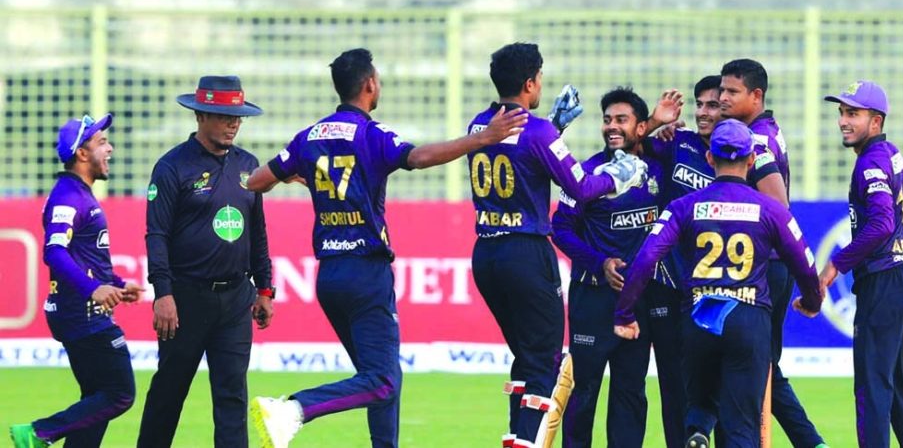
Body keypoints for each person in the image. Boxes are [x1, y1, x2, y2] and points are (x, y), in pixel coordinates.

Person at [244, 48, 528, 448]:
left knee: (381, 378)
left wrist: (295, 176)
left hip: (329, 277)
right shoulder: (370, 134)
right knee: (381, 380)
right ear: (369, 85)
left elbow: (256, 181)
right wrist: (482, 138)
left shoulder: (308, 138)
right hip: (366, 273)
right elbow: (419, 157)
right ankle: (293, 409)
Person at [466, 43, 655, 448]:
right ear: (531, 82)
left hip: (485, 253)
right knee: (548, 363)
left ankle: (517, 435)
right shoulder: (537, 131)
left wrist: (553, 126)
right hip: (527, 253)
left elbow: (521, 157)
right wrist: (618, 176)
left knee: (525, 356)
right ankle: (529, 442)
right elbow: (583, 187)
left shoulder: (479, 125)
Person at [612, 119, 824, 448]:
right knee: (741, 426)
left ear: (710, 158)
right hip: (748, 318)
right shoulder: (771, 209)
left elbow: (645, 259)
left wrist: (625, 313)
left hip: (699, 316)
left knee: (699, 401)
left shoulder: (683, 207)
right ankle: (706, 427)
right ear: (752, 160)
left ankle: (698, 428)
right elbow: (805, 263)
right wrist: (812, 300)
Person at [137, 75, 275, 448]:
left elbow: (256, 232)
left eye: (238, 117)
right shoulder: (172, 167)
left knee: (232, 396)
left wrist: (264, 288)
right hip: (186, 298)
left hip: (235, 298)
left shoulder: (248, 165)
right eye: (224, 115)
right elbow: (157, 235)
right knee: (169, 391)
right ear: (200, 115)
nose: (234, 123)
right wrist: (163, 294)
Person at [551, 87, 684, 448]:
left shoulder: (659, 169)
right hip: (592, 299)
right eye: (607, 119)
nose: (611, 126)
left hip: (637, 301)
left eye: (621, 120)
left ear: (640, 127)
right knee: (584, 392)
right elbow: (559, 229)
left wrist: (662, 126)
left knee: (630, 392)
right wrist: (600, 264)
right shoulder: (587, 172)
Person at [9, 114, 142, 447]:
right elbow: (54, 252)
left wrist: (116, 282)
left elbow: (85, 258)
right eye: (101, 143)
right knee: (119, 394)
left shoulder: (77, 193)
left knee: (94, 404)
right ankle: (39, 432)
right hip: (81, 313)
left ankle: (42, 432)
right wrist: (94, 289)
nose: (110, 149)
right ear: (82, 154)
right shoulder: (69, 196)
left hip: (79, 310)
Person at [719, 58, 826, 448]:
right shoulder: (767, 131)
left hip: (763, 270)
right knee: (762, 366)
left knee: (752, 367)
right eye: (721, 90)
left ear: (756, 95)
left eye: (732, 92)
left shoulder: (757, 141)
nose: (722, 98)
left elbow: (779, 209)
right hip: (770, 269)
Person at [820, 81, 903, 448]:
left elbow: (880, 223)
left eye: (853, 114)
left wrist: (836, 265)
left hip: (883, 287)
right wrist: (901, 261)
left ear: (875, 121)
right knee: (897, 391)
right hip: (902, 283)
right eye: (842, 113)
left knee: (872, 392)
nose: (843, 121)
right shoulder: (892, 154)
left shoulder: (870, 163)